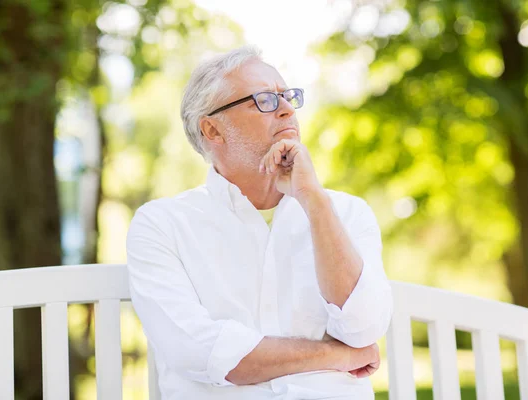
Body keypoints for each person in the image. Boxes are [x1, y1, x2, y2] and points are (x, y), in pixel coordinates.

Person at [126, 45, 393, 400]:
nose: (286, 111)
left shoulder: (345, 213)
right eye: (265, 100)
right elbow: (198, 351)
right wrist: (338, 356)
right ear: (212, 130)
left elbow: (364, 329)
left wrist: (313, 201)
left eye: (288, 97)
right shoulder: (161, 225)